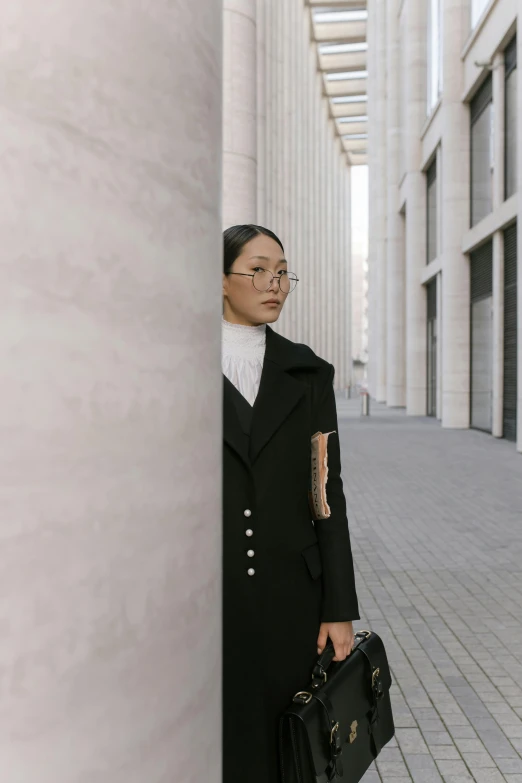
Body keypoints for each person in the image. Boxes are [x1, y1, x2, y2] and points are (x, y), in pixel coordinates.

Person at [222, 224, 360, 782]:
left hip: (293, 600)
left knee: (291, 746)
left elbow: (326, 495)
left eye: (281, 272)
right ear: (219, 281)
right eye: (257, 270)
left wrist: (339, 606)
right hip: (209, 595)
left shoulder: (308, 373)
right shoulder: (170, 366)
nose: (273, 282)